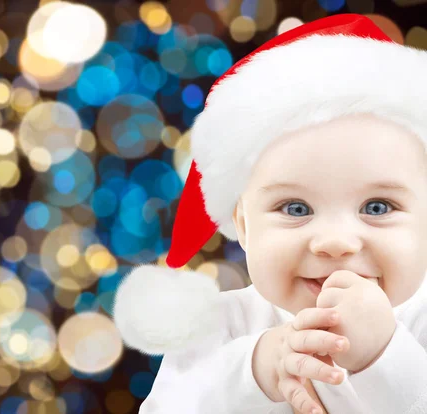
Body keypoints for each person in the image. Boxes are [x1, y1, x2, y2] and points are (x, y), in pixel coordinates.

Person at [112, 13, 427, 414]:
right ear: (243, 224)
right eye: (296, 208)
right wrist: (255, 370)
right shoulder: (222, 326)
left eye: (377, 207)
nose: (335, 241)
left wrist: (383, 356)